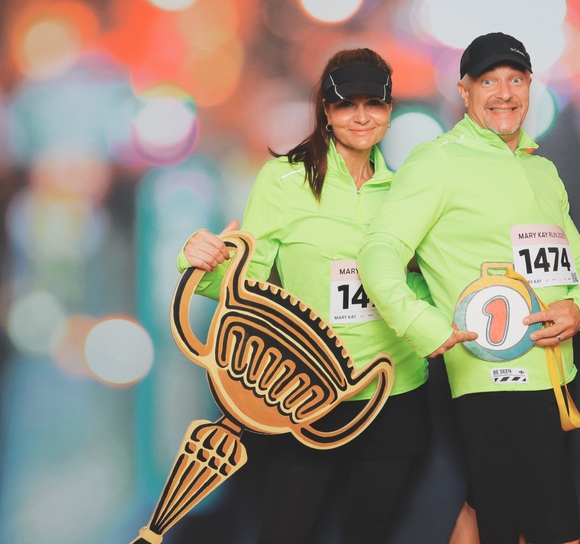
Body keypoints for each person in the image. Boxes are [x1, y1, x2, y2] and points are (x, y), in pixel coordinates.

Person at [177, 48, 432, 544]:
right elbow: (245, 282)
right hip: (307, 388)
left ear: (389, 110)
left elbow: (426, 282)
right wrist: (200, 261)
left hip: (395, 388)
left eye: (374, 103)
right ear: (326, 110)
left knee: (371, 534)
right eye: (346, 104)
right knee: (285, 533)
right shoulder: (284, 181)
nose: (362, 116)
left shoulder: (407, 190)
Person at [357, 32, 580, 544]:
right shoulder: (437, 161)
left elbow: (576, 257)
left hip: (556, 373)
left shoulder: (542, 169)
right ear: (464, 92)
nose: (504, 93)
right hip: (494, 376)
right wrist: (421, 325)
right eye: (488, 81)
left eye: (515, 80)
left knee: (489, 509)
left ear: (530, 87)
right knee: (549, 528)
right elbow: (379, 250)